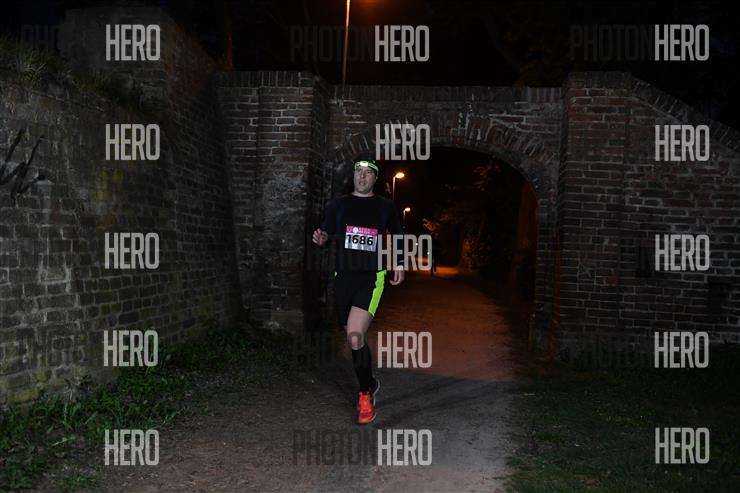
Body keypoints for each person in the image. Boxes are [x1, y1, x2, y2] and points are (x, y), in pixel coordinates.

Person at [312, 155, 405, 424]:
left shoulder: (385, 206)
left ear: (375, 178)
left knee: (354, 336)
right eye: (358, 171)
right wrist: (320, 237)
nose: (362, 176)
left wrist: (399, 263)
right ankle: (370, 381)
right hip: (343, 278)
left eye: (368, 172)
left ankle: (365, 395)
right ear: (353, 175)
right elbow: (325, 233)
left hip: (371, 278)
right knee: (353, 336)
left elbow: (398, 234)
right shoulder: (338, 204)